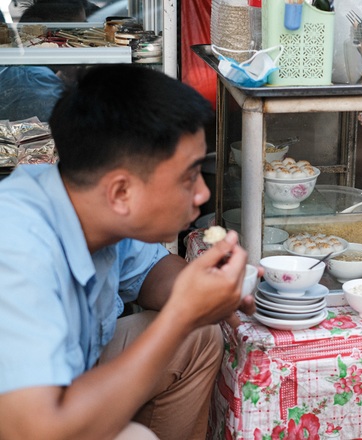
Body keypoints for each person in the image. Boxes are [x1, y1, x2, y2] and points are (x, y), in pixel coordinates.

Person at [0, 64, 258, 440]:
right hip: (24, 417)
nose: (202, 195)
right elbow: (34, 430)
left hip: (69, 370)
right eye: (189, 177)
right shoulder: (17, 247)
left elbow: (155, 272)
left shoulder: (87, 200)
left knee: (198, 338)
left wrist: (210, 286)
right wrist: (182, 315)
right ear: (121, 193)